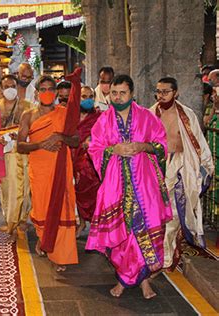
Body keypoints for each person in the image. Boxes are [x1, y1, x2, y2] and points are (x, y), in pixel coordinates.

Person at [87, 74, 172, 299]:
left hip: (145, 187)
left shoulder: (147, 117)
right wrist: (113, 150)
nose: (117, 96)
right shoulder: (103, 120)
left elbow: (161, 145)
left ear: (132, 93)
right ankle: (125, 279)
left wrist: (143, 146)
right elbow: (94, 148)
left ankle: (142, 282)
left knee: (142, 231)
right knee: (122, 235)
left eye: (122, 92)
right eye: (114, 93)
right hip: (116, 188)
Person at [17, 68, 82, 273]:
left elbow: (76, 140)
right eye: (42, 89)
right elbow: (20, 146)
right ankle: (44, 241)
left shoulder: (64, 113)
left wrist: (60, 138)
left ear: (56, 92)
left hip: (61, 170)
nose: (46, 92)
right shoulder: (28, 116)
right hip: (40, 171)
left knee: (62, 209)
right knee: (42, 209)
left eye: (50, 89)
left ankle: (58, 254)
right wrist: (41, 144)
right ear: (36, 93)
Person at [150, 77, 214, 271]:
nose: (161, 96)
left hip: (179, 168)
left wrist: (206, 167)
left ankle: (166, 258)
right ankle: (153, 255)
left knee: (174, 215)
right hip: (155, 170)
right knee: (154, 215)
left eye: (165, 92)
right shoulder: (150, 114)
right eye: (159, 91)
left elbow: (199, 143)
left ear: (176, 92)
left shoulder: (187, 115)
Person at [0, 74, 31, 239]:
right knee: (8, 190)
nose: (10, 89)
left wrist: (23, 136)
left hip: (24, 153)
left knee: (24, 190)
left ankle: (20, 220)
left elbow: (34, 129)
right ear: (1, 89)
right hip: (4, 155)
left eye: (13, 86)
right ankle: (10, 219)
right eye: (6, 86)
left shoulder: (27, 106)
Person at [72, 85, 101, 237]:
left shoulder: (99, 116)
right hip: (73, 157)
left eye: (90, 96)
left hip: (91, 161)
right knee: (77, 193)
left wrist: (92, 141)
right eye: (84, 96)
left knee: (93, 193)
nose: (87, 100)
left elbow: (105, 135)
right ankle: (82, 222)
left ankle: (96, 226)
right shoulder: (71, 115)